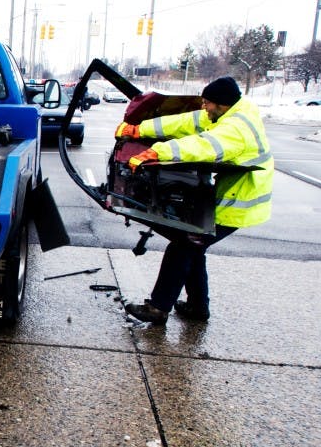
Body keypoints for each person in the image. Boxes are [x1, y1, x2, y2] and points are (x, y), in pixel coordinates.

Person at [114, 76, 274, 324]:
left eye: (207, 103)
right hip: (229, 195)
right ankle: (198, 308)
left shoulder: (236, 128)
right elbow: (184, 122)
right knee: (193, 248)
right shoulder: (227, 112)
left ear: (221, 104)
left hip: (237, 204)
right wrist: (139, 130)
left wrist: (157, 152)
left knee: (184, 245)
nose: (204, 108)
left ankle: (158, 308)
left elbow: (204, 145)